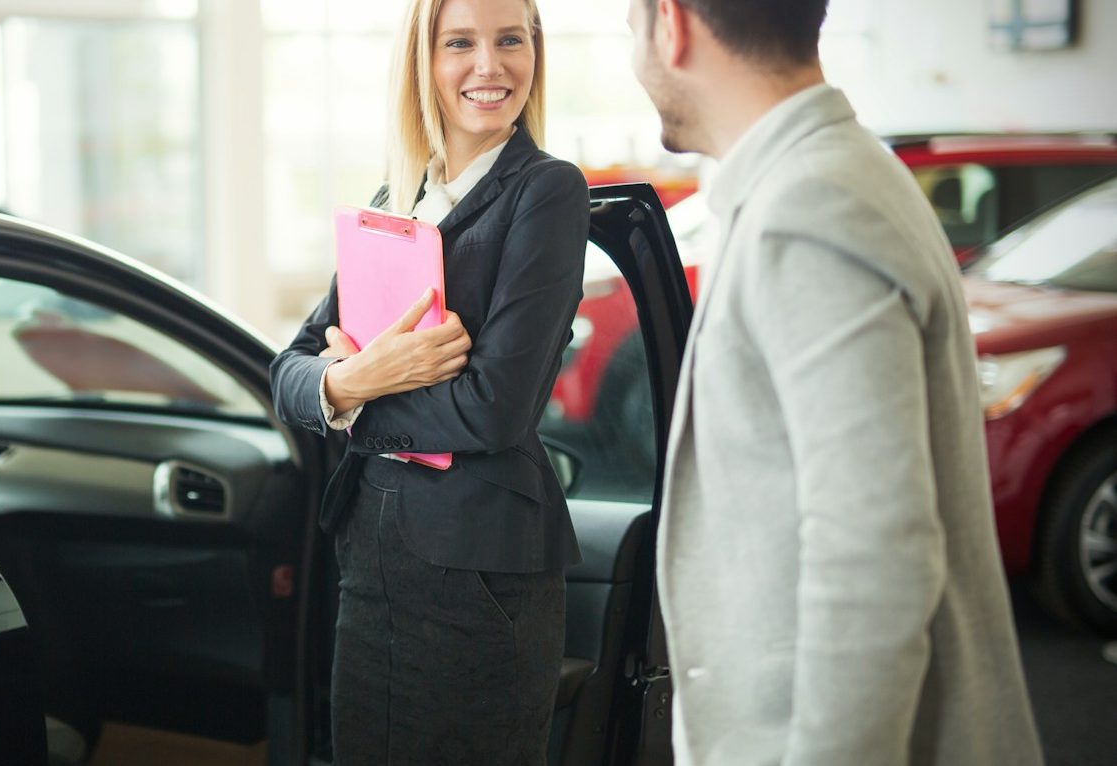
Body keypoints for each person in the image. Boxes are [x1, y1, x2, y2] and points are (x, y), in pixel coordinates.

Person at [625, 1, 1043, 764]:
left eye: (632, 28)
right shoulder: (829, 177)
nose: (634, 57)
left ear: (673, 24)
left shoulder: (810, 209)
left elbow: (873, 562)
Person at [269, 0, 587, 760]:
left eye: (510, 40)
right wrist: (357, 378)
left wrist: (355, 398)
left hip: (480, 573)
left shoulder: (546, 191)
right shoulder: (398, 199)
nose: (490, 65)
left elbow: (494, 409)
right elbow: (289, 371)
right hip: (373, 555)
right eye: (460, 43)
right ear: (424, 60)